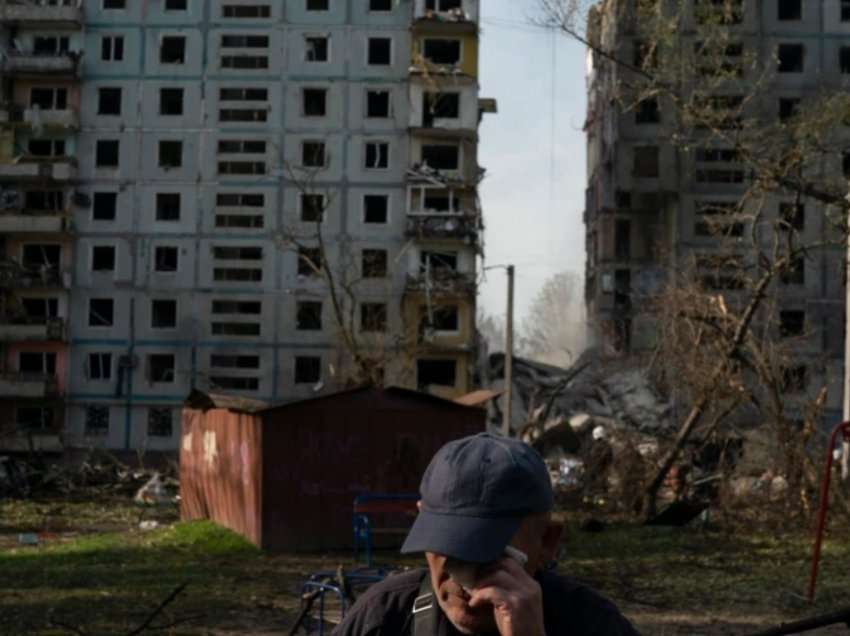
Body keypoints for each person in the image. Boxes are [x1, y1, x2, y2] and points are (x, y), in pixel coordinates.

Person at [333, 433, 639, 635]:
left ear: (546, 541)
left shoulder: (591, 623)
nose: (460, 573)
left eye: (484, 548)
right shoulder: (386, 617)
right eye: (446, 543)